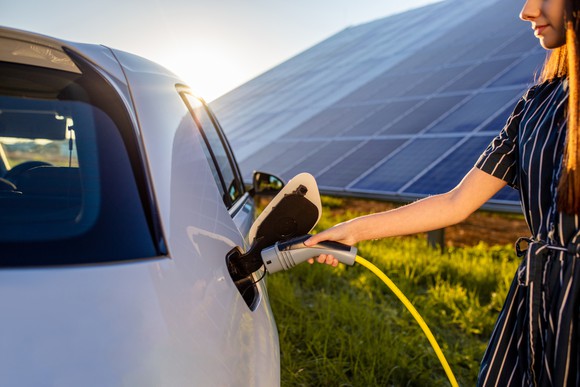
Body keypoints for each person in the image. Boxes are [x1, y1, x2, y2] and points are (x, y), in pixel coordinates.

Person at [305, 0, 580, 385]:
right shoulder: (535, 106)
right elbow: (456, 202)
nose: (526, 11)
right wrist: (353, 229)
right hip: (535, 300)